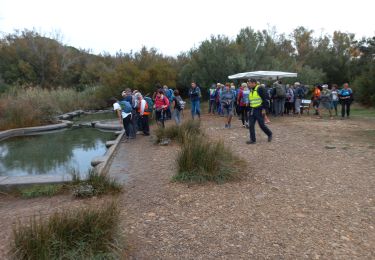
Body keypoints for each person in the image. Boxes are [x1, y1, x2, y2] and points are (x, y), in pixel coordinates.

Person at [246, 79, 273, 144]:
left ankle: (269, 134)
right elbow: (252, 100)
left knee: (261, 125)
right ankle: (253, 140)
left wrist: (264, 109)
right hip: (252, 110)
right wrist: (248, 109)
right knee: (251, 125)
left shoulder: (260, 88)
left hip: (259, 109)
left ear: (253, 83)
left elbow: (265, 99)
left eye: (249, 83)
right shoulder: (251, 90)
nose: (248, 85)